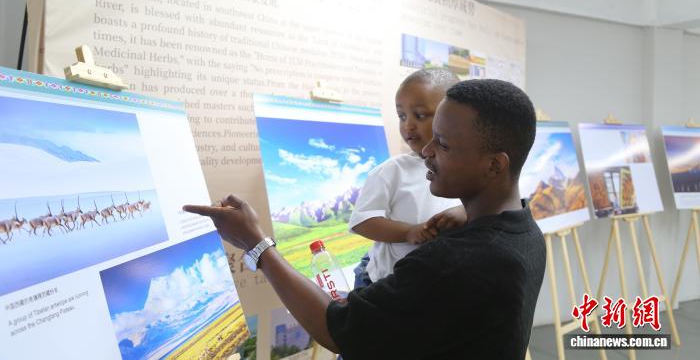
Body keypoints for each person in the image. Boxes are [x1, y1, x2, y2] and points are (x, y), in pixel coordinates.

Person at [185, 79, 546, 360]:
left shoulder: (454, 263)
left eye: (443, 144)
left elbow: (338, 329)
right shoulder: (526, 232)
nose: (427, 151)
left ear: (494, 165)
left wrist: (257, 244)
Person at [349, 68, 465, 288]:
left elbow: (482, 204)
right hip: (382, 283)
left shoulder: (465, 169)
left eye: (419, 115)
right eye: (402, 116)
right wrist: (408, 232)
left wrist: (464, 212)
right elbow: (362, 221)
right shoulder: (391, 171)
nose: (407, 125)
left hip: (429, 284)